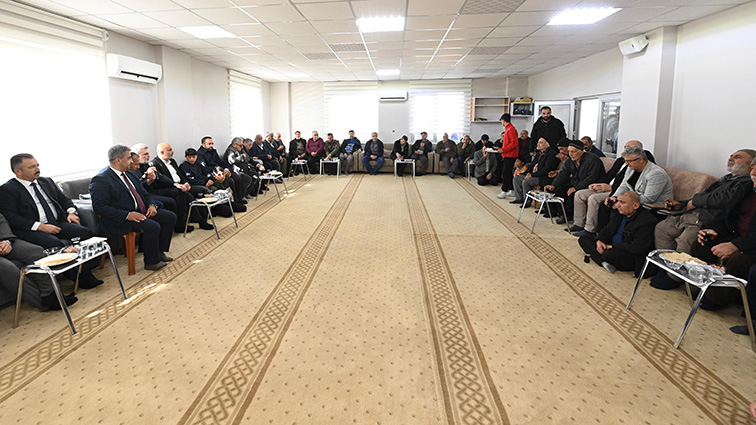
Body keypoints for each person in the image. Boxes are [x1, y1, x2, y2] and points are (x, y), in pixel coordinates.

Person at [0, 153, 103, 288]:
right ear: (18, 171)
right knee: (54, 243)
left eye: (37, 165)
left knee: (85, 233)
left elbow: (64, 200)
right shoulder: (8, 189)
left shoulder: (46, 181)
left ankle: (85, 270)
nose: (37, 169)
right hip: (31, 230)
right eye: (32, 167)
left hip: (56, 222)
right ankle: (81, 278)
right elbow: (11, 218)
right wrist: (40, 226)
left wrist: (71, 212)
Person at [89, 145, 177, 271]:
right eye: (129, 158)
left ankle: (159, 251)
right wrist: (127, 215)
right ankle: (151, 262)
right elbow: (100, 207)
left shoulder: (130, 174)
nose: (131, 161)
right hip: (120, 218)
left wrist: (152, 205)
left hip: (140, 211)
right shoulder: (101, 179)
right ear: (118, 160)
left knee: (169, 217)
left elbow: (144, 193)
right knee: (152, 226)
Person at [654, 149, 755, 255]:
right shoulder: (727, 178)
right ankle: (665, 263)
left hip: (707, 220)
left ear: (750, 164)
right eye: (731, 156)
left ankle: (677, 266)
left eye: (737, 157)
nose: (730, 159)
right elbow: (705, 195)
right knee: (661, 228)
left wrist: (695, 201)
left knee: (686, 240)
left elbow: (722, 199)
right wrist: (682, 204)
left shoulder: (747, 183)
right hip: (691, 214)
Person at [686, 159, 756, 309]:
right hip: (735, 234)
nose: (754, 173)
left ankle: (717, 299)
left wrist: (736, 245)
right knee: (701, 244)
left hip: (751, 245)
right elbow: (726, 215)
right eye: (753, 168)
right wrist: (714, 230)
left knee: (737, 260)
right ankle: (704, 288)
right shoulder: (746, 188)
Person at [570, 140, 650, 237]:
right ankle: (578, 224)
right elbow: (609, 175)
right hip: (607, 186)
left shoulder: (637, 166)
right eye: (625, 147)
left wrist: (611, 188)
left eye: (629, 148)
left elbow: (627, 185)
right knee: (580, 194)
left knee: (593, 198)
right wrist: (599, 184)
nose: (626, 150)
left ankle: (590, 230)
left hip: (616, 190)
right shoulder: (620, 160)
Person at [0, 212, 77, 310]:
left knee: (36, 252)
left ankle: (50, 294)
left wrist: (6, 240)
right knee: (8, 268)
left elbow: (1, 221)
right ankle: (43, 302)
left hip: (2, 241)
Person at [578, 191, 657, 275]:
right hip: (611, 246)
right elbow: (607, 230)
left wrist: (612, 247)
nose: (618, 205)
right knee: (584, 239)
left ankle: (602, 259)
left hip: (628, 253)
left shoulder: (646, 221)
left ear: (635, 205)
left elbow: (637, 248)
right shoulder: (618, 213)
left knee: (609, 254)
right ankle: (603, 262)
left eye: (622, 202)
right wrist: (599, 241)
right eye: (618, 201)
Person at [143, 143, 213, 232]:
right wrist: (176, 185)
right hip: (165, 188)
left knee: (194, 193)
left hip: (179, 186)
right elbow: (161, 180)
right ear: (162, 152)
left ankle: (201, 219)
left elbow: (180, 174)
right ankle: (184, 224)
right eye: (169, 150)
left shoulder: (172, 161)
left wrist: (186, 183)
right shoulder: (155, 163)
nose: (172, 151)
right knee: (183, 193)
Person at [544, 139, 606, 223]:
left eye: (573, 152)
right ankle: (562, 214)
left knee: (571, 194)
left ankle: (569, 216)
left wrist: (576, 188)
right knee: (559, 189)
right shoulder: (570, 160)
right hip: (577, 181)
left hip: (593, 185)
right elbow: (563, 174)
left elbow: (591, 179)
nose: (570, 154)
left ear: (581, 152)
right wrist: (553, 185)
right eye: (569, 151)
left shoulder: (592, 160)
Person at [510, 137, 560, 207]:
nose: (538, 144)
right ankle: (519, 198)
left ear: (547, 145)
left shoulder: (551, 154)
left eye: (541, 142)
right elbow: (532, 165)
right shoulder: (539, 153)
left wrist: (532, 175)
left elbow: (546, 169)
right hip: (533, 174)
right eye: (538, 142)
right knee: (517, 178)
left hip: (542, 177)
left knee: (526, 182)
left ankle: (527, 201)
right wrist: (527, 173)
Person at [197, 136, 247, 204]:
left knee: (236, 177)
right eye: (209, 144)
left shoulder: (213, 151)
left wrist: (226, 169)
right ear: (203, 144)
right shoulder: (200, 154)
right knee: (231, 181)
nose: (211, 145)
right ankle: (233, 201)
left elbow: (220, 162)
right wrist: (220, 171)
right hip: (212, 174)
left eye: (212, 143)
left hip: (220, 171)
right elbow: (205, 168)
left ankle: (238, 198)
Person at [496, 113, 519, 199]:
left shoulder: (511, 129)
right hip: (507, 154)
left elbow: (514, 143)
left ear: (503, 120)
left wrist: (504, 149)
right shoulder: (508, 129)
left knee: (506, 173)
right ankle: (512, 190)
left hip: (510, 154)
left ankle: (504, 190)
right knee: (508, 173)